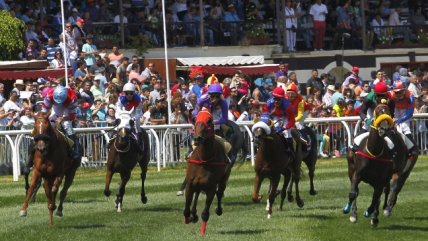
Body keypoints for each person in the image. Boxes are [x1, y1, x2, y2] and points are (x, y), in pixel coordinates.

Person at [40, 85, 81, 160]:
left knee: (67, 125)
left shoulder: (72, 98)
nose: (59, 102)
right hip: (55, 106)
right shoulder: (49, 95)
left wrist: (63, 118)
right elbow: (44, 112)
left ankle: (75, 150)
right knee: (49, 121)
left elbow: (72, 116)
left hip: (67, 107)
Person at [388, 81, 418, 157]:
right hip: (394, 108)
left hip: (406, 110)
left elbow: (409, 114)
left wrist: (399, 120)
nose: (398, 94)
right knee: (395, 128)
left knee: (404, 126)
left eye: (400, 92)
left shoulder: (410, 96)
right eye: (396, 92)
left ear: (404, 90)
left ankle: (413, 148)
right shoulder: (390, 94)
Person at [115, 82, 145, 153]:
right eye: (127, 93)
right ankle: (112, 140)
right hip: (124, 114)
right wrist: (118, 118)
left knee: (137, 125)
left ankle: (139, 142)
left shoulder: (138, 99)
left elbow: (139, 113)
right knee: (118, 126)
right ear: (124, 93)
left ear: (133, 93)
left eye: (131, 93)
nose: (129, 95)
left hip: (134, 114)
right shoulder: (121, 98)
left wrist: (133, 119)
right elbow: (117, 110)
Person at [263, 87, 295, 151]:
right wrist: (271, 114)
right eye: (275, 99)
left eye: (279, 99)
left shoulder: (288, 105)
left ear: (282, 98)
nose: (276, 101)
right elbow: (265, 116)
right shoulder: (269, 103)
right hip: (275, 115)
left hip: (286, 116)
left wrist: (284, 127)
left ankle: (291, 151)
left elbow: (292, 120)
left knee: (287, 133)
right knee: (274, 128)